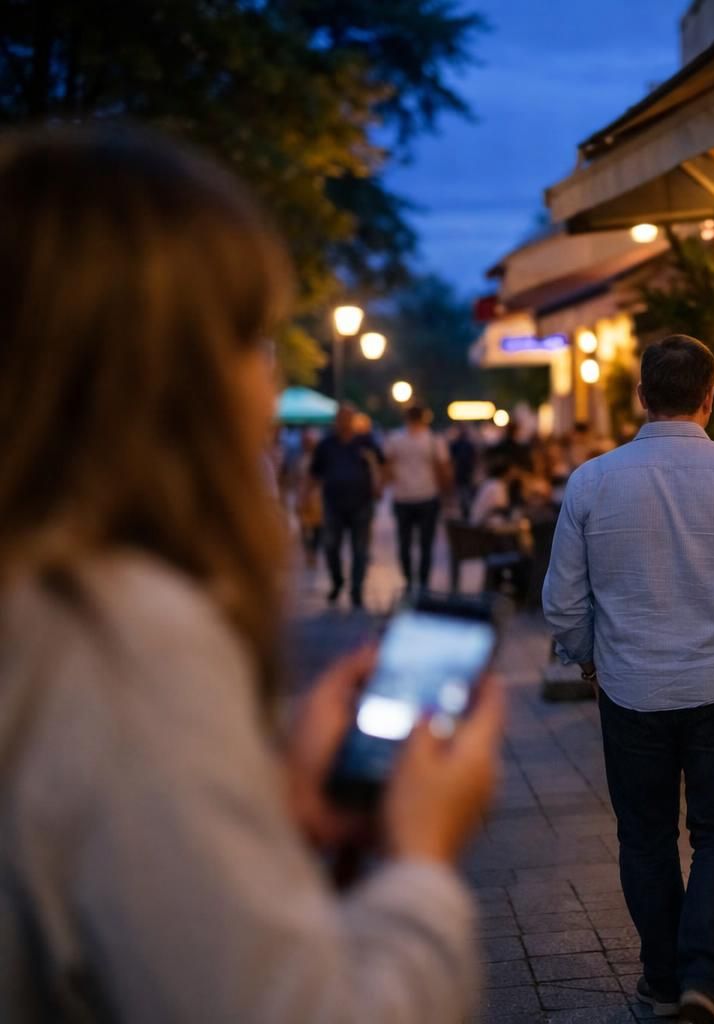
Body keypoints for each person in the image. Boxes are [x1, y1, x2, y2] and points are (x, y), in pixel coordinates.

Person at [0, 125, 503, 1022]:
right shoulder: (117, 634)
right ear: (179, 373)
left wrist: (264, 811)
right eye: (252, 341)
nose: (266, 389)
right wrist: (420, 860)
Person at [542, 335, 714, 1024]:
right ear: (711, 395)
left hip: (630, 685)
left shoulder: (593, 480)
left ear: (642, 396)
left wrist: (589, 655)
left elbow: (561, 600)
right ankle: (704, 976)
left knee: (644, 835)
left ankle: (660, 975)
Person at [309, 404, 385, 609]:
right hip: (333, 504)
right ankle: (337, 581)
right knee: (331, 545)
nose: (344, 422)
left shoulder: (365, 442)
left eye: (348, 418)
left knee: (360, 549)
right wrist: (307, 496)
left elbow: (381, 464)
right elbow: (315, 473)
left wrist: (379, 484)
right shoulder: (326, 445)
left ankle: (357, 590)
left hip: (361, 503)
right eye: (341, 418)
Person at [384, 404, 450, 593]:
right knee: (426, 543)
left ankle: (408, 579)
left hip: (402, 497)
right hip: (427, 496)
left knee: (404, 542)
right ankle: (423, 582)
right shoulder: (433, 439)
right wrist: (447, 492)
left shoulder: (395, 438)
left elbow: (387, 466)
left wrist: (384, 485)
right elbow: (442, 468)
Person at [448, 425, 480, 519]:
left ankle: (467, 512)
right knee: (465, 494)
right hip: (463, 473)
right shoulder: (460, 444)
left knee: (465, 494)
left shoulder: (462, 444)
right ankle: (467, 512)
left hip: (464, 473)